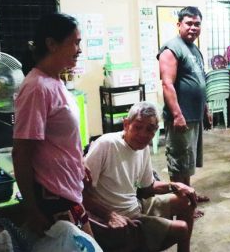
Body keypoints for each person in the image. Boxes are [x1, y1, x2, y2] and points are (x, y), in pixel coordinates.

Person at [12, 13, 94, 237]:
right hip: (53, 195)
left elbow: (60, 138)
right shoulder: (37, 87)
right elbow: (21, 153)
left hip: (68, 189)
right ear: (51, 44)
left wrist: (79, 161)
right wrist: (32, 209)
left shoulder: (55, 81)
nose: (79, 49)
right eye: (74, 42)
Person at [84, 102, 196, 252]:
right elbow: (81, 193)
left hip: (136, 205)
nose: (143, 134)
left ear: (155, 132)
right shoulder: (106, 144)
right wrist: (109, 215)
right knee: (181, 229)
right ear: (126, 124)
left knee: (187, 200)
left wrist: (175, 186)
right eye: (137, 127)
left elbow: (147, 186)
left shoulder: (142, 148)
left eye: (150, 129)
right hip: (119, 216)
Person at [157, 6, 211, 207]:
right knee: (179, 163)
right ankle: (182, 205)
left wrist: (205, 109)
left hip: (194, 115)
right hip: (181, 117)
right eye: (189, 23)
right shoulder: (172, 48)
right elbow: (167, 84)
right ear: (179, 24)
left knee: (187, 162)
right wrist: (177, 115)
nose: (193, 27)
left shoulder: (194, 49)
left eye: (197, 24)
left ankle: (189, 196)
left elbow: (199, 80)